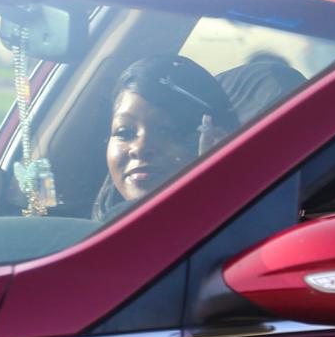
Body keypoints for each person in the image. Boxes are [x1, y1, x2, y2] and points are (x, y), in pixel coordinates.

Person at [95, 54, 237, 221]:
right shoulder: (80, 232)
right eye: (124, 132)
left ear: (218, 142)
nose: (140, 148)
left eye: (167, 131)